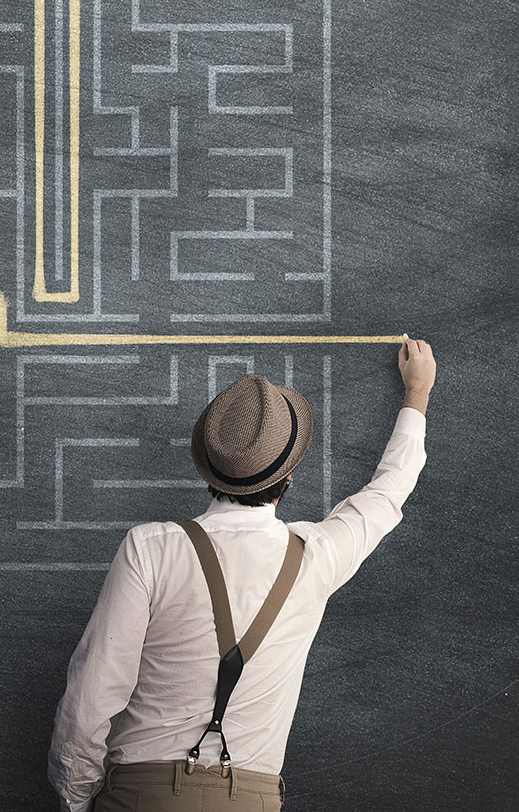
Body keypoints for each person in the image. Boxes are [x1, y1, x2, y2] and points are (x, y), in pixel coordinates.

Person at [46, 339, 436, 810]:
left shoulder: (151, 549)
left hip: (138, 793)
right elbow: (386, 493)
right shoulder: (317, 556)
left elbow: (92, 693)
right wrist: (417, 395)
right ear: (288, 478)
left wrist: (77, 797)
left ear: (209, 471)